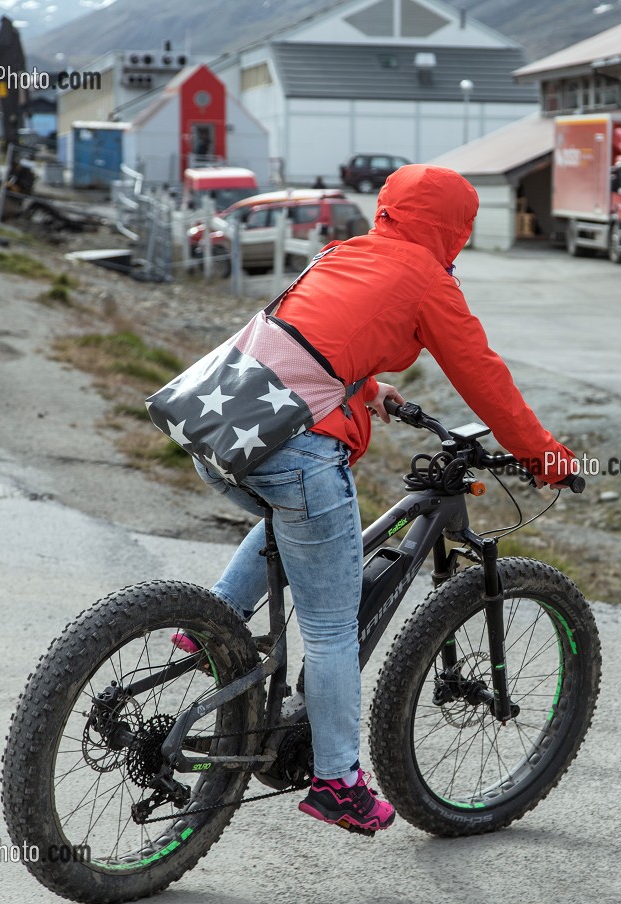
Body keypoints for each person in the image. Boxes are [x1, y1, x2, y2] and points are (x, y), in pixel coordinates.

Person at [184, 164, 576, 835]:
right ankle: (338, 781)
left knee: (299, 518)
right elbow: (486, 379)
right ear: (455, 227)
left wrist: (369, 389)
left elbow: (310, 337)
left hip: (220, 426)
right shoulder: (428, 277)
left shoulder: (346, 253)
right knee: (333, 624)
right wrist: (548, 456)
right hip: (296, 442)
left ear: (391, 208)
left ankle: (211, 624)